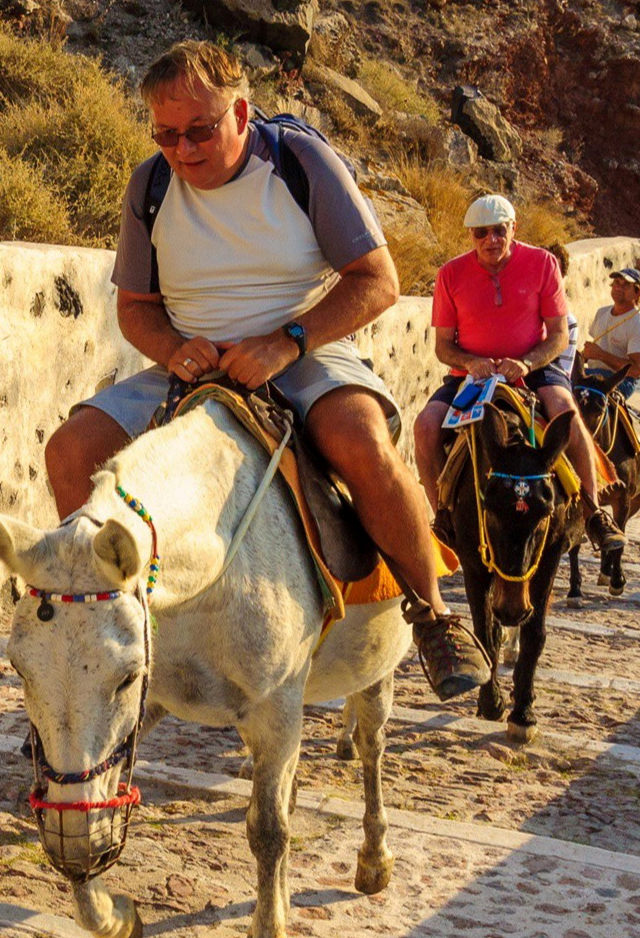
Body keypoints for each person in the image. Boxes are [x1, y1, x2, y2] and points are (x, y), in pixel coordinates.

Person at [43, 40, 489, 701]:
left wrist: (288, 341)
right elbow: (136, 308)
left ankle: (433, 614)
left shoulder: (299, 162)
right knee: (71, 448)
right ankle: (96, 627)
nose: (184, 150)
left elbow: (377, 282)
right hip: (191, 367)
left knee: (361, 441)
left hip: (302, 353)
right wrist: (173, 351)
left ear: (242, 112)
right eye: (167, 135)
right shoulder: (152, 183)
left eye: (200, 130)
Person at [412, 195, 626, 556]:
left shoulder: (542, 263)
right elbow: (443, 347)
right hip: (473, 375)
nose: (491, 240)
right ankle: (443, 517)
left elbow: (559, 334)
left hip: (534, 369)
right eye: (481, 232)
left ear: (514, 228)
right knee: (425, 427)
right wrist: (470, 362)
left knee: (563, 410)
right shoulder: (450, 274)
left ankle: (593, 512)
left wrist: (527, 362)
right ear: (470, 235)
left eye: (499, 230)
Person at [578, 267, 640, 399]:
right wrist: (584, 356)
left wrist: (601, 355)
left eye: (626, 285)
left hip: (621, 380)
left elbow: (636, 370)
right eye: (616, 282)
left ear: (637, 293)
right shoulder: (601, 313)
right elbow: (598, 348)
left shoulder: (639, 324)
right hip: (593, 372)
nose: (619, 287)